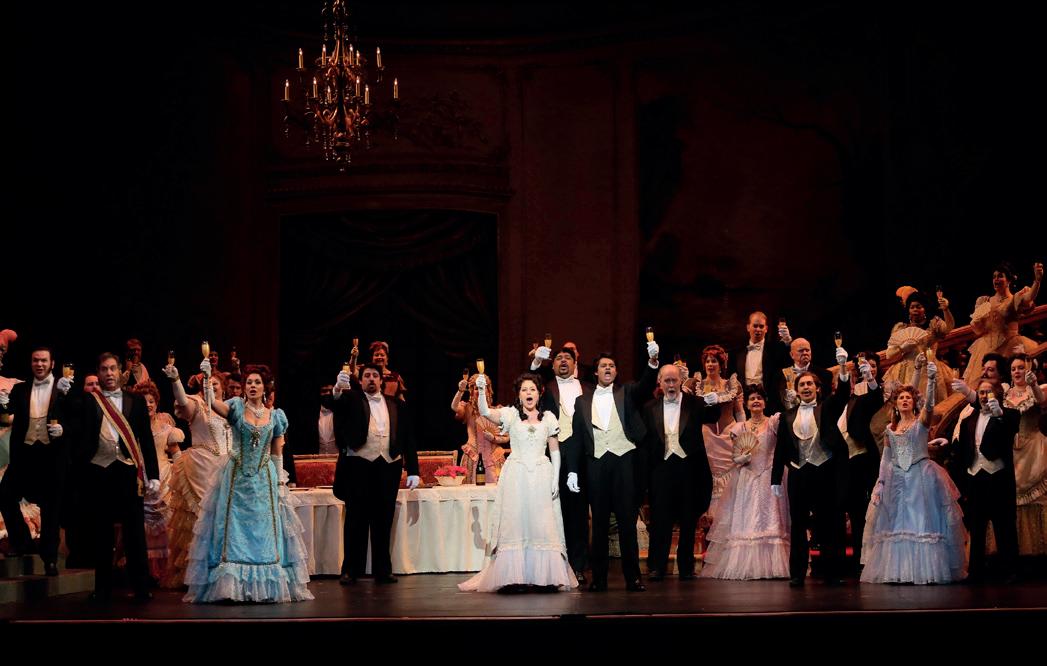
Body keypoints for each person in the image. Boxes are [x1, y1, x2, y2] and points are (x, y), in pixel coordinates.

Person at [183, 362, 313, 602]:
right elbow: (213, 404)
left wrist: (280, 482)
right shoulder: (235, 407)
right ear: (244, 387)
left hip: (263, 479)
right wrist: (207, 379)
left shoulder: (276, 416)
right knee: (234, 530)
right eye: (249, 382)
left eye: (257, 382)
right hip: (236, 479)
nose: (253, 386)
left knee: (264, 530)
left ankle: (266, 586)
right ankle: (231, 587)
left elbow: (276, 451)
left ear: (265, 388)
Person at [458, 373, 577, 592]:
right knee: (516, 522)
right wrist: (482, 391)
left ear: (539, 393)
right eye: (524, 390)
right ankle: (513, 578)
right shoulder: (511, 414)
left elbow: (554, 451)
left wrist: (555, 478)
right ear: (519, 395)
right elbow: (485, 412)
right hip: (516, 475)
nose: (528, 393)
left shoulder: (548, 418)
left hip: (541, 474)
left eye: (532, 389)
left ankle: (545, 577)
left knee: (541, 523)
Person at [861, 357, 967, 584]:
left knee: (921, 521)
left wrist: (931, 380)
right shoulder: (890, 428)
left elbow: (929, 408)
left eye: (908, 397)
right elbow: (886, 457)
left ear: (913, 402)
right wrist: (880, 482)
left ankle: (924, 570)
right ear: (895, 404)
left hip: (921, 476)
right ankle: (899, 570)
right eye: (901, 398)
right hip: (897, 478)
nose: (904, 400)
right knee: (897, 522)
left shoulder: (921, 423)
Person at [565, 339, 660, 592]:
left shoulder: (626, 393)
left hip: (623, 460)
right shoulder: (581, 402)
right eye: (603, 366)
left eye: (612, 366)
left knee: (627, 521)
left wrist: (652, 363)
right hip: (596, 462)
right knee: (599, 524)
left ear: (616, 372)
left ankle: (633, 578)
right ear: (596, 372)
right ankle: (599, 579)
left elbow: (645, 385)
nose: (608, 368)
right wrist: (572, 470)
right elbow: (576, 439)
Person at [75, 352, 160, 601]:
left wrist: (153, 475)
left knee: (134, 533)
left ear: (120, 370)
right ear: (98, 373)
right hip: (98, 471)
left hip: (127, 471)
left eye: (113, 368)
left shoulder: (135, 400)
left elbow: (146, 440)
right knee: (101, 534)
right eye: (104, 369)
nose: (109, 373)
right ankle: (102, 589)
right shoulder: (89, 401)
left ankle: (141, 588)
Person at [329, 363, 420, 585]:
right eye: (367, 376)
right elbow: (333, 403)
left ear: (381, 380)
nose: (371, 379)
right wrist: (338, 388)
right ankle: (350, 570)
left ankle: (383, 570)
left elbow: (408, 438)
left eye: (375, 376)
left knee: (383, 520)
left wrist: (413, 470)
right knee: (355, 520)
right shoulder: (351, 399)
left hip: (388, 466)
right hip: (358, 465)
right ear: (360, 381)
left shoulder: (397, 404)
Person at [771, 346, 852, 586]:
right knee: (798, 525)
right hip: (799, 473)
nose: (806, 388)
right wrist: (776, 479)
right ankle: (797, 574)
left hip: (824, 471)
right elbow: (781, 448)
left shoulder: (827, 408)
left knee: (828, 523)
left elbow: (843, 395)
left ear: (818, 388)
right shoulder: (787, 416)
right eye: (802, 385)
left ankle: (831, 573)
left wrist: (843, 367)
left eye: (809, 384)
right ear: (796, 391)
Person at [702, 385, 790, 580]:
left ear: (765, 402)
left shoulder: (773, 423)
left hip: (769, 476)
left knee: (770, 518)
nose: (756, 401)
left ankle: (773, 566)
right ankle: (746, 566)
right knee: (747, 520)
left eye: (759, 398)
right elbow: (735, 455)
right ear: (747, 404)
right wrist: (741, 458)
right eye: (752, 399)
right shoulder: (739, 428)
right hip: (747, 477)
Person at [0, 347, 73, 576]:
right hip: (25, 454)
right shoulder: (20, 389)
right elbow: (6, 417)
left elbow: (79, 419)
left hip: (51, 456)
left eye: (43, 360)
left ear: (52, 363)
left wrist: (64, 429)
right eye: (35, 360)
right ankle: (21, 541)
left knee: (51, 508)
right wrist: (2, 404)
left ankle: (49, 558)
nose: (39, 364)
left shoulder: (64, 387)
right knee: (4, 494)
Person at [159, 362, 232, 588]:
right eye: (208, 383)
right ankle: (199, 573)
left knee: (226, 520)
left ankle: (224, 571)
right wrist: (176, 380)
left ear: (223, 387)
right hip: (202, 468)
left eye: (216, 383)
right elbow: (182, 401)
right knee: (201, 519)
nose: (213, 386)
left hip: (227, 468)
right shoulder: (197, 404)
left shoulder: (230, 408)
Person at [643, 364, 716, 581]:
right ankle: (657, 566)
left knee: (688, 519)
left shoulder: (695, 403)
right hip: (661, 469)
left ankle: (686, 567)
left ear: (681, 381)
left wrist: (714, 401)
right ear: (660, 382)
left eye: (674, 380)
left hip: (689, 469)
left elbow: (713, 415)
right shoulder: (650, 407)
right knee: (660, 520)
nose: (671, 385)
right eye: (667, 381)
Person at [951, 378, 1021, 583]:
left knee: (1003, 525)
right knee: (977, 526)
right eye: (981, 392)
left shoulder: (1009, 415)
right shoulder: (969, 420)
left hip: (997, 477)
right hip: (975, 476)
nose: (984, 396)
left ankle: (1009, 570)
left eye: (988, 392)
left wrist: (999, 416)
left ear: (997, 394)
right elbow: (964, 449)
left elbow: (1010, 430)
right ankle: (976, 571)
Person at [129, 380, 184, 580]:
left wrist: (182, 477)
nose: (148, 405)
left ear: (157, 403)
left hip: (163, 478)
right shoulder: (131, 427)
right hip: (139, 477)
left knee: (166, 524)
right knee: (138, 525)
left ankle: (165, 570)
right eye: (144, 401)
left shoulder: (166, 429)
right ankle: (141, 572)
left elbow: (176, 454)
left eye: (151, 401)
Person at [963, 261, 1042, 385]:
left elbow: (1028, 297)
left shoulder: (1014, 299)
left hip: (1010, 346)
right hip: (986, 348)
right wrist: (976, 322)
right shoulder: (984, 301)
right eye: (994, 276)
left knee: (1008, 381)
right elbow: (979, 329)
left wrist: (1037, 281)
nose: (996, 279)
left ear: (1009, 280)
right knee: (983, 384)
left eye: (1000, 276)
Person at [1005, 355, 1047, 555]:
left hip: (1034, 448)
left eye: (1021, 367)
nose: (1017, 371)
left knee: (1037, 496)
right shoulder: (1005, 393)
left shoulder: (1037, 389)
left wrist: (1034, 384)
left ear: (1028, 369)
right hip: (1011, 450)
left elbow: (1042, 401)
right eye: (1013, 368)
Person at [451, 372, 508, 484]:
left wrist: (494, 438)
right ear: (472, 391)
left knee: (496, 491)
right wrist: (460, 391)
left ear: (488, 390)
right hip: (472, 457)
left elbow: (506, 437)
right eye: (476, 388)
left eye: (483, 388)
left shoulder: (497, 411)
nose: (479, 391)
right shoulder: (467, 408)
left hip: (494, 459)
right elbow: (454, 407)